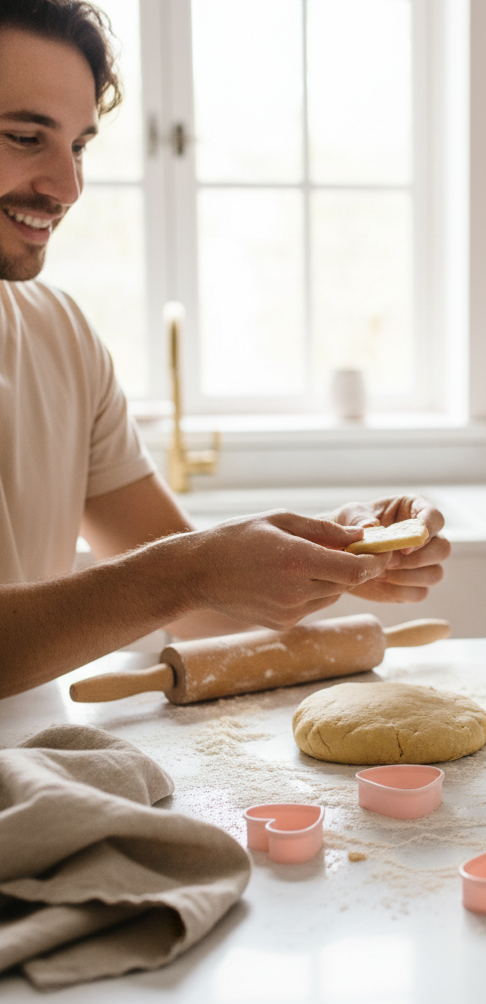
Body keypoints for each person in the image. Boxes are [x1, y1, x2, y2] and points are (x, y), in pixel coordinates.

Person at [0, 0, 450, 698]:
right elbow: (181, 579)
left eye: (80, 145)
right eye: (26, 137)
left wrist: (331, 555)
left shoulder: (61, 336)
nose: (68, 187)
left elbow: (201, 610)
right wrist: (193, 568)